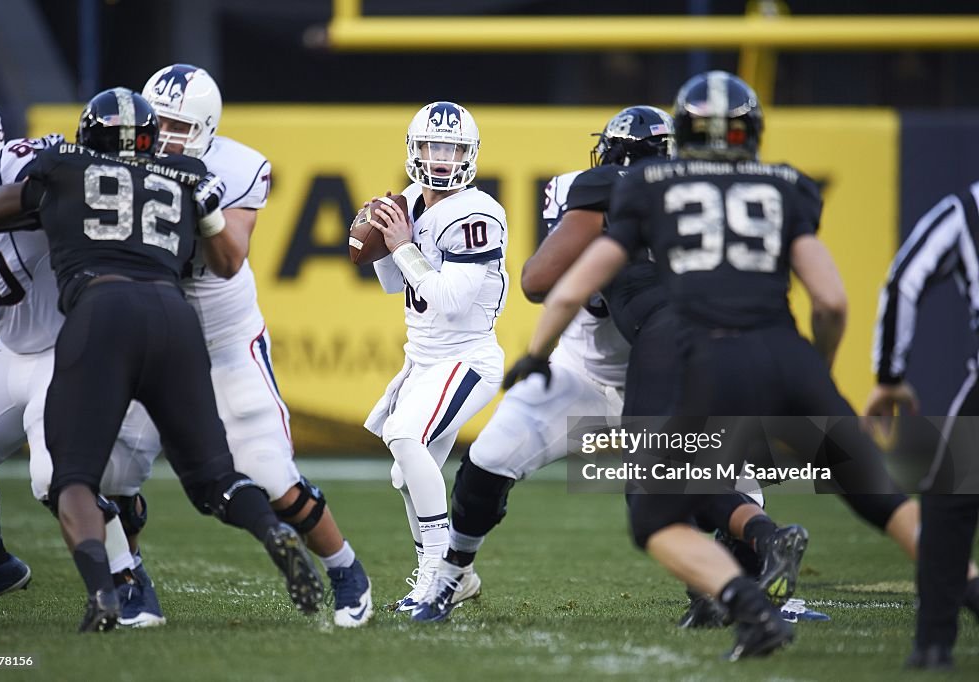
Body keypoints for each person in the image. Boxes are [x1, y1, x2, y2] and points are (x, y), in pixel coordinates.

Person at [504, 71, 920, 659]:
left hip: (696, 349)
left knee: (656, 495)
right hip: (783, 349)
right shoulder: (783, 183)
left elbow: (560, 286)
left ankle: (738, 589)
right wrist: (815, 375)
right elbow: (830, 301)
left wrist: (534, 353)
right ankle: (958, 582)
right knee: (877, 493)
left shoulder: (645, 185)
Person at [411, 105, 814, 625]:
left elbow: (541, 281)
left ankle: (746, 591)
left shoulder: (605, 190)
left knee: (714, 486)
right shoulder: (690, 195)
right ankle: (453, 572)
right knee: (489, 458)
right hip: (589, 371)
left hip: (655, 370)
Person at [0, 88, 322, 631]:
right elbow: (226, 260)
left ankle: (111, 590)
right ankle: (271, 531)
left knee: (71, 477)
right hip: (173, 318)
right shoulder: (183, 174)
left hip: (97, 316)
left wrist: (52, 177)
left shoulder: (62, 166)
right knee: (213, 477)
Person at [124, 63, 371, 628]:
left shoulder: (235, 167)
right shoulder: (116, 163)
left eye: (177, 126)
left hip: (224, 338)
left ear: (206, 128)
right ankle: (128, 578)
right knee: (112, 473)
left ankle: (345, 568)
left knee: (271, 474)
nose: (162, 136)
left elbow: (229, 258)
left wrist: (204, 208)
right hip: (151, 341)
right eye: (154, 121)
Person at [0, 97, 157, 625]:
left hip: (67, 347)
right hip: (11, 352)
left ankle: (128, 583)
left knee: (56, 477)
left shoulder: (7, 165)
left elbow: (70, 162)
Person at [364, 101, 508, 612]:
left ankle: (437, 577)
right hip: (423, 360)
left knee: (405, 437)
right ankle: (458, 578)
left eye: (453, 148)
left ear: (469, 155)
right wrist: (379, 243)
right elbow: (391, 283)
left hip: (466, 358)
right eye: (432, 146)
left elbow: (449, 300)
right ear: (415, 149)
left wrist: (401, 244)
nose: (442, 158)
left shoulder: (479, 212)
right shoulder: (409, 200)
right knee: (405, 471)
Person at [866, 183, 979, 669]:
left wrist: (889, 376)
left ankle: (934, 645)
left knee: (947, 507)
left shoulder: (969, 207)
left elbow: (904, 279)